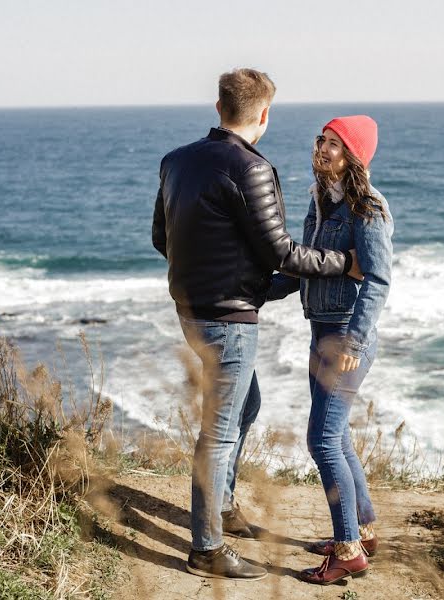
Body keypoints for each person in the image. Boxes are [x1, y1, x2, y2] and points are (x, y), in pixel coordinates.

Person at [151, 69, 363, 581]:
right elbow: (282, 253)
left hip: (191, 308)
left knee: (246, 404)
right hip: (228, 318)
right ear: (263, 114)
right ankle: (206, 548)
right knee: (219, 432)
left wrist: (216, 275)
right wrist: (343, 263)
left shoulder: (176, 161)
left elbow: (163, 238)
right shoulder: (252, 168)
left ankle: (221, 507)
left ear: (219, 106)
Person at [268, 115, 393, 585]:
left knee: (321, 440)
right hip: (321, 330)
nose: (322, 149)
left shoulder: (368, 209)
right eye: (321, 139)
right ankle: (362, 530)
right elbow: (307, 266)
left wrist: (355, 343)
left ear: (353, 155)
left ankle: (347, 552)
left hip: (344, 335)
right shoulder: (321, 201)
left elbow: (377, 282)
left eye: (335, 144)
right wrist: (254, 291)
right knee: (336, 437)